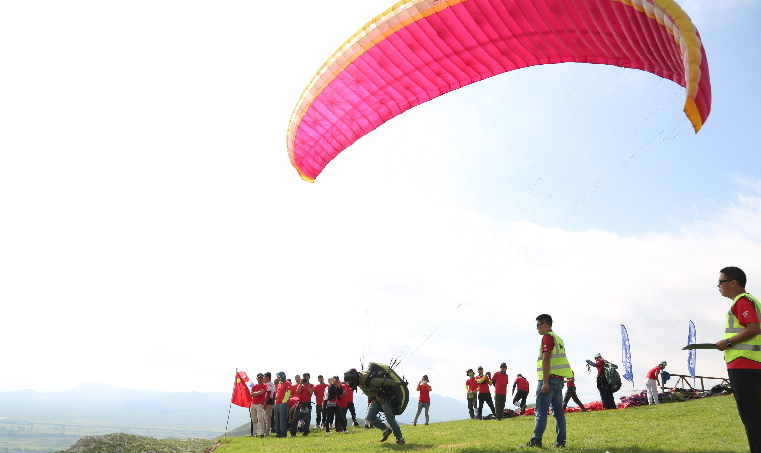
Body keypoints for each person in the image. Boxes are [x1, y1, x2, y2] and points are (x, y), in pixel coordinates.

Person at [714, 267, 761, 453]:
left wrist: (727, 342)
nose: (718, 286)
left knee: (751, 416)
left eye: (720, 281)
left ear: (733, 283)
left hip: (744, 365)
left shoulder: (741, 301)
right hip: (753, 364)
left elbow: (753, 329)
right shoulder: (753, 301)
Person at [520, 314, 573, 449]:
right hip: (559, 380)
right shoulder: (559, 338)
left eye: (537, 325)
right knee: (559, 413)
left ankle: (536, 441)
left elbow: (546, 360)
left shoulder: (547, 337)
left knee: (541, 412)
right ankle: (561, 442)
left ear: (545, 325)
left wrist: (544, 382)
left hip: (548, 380)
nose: (536, 329)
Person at [344, 366, 407, 445]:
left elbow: (385, 381)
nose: (350, 383)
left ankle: (400, 439)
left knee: (390, 419)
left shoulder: (371, 381)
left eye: (350, 381)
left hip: (383, 400)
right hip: (374, 401)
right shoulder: (360, 380)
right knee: (370, 417)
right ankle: (386, 430)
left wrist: (398, 383)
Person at [273, 372, 292, 438]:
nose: (278, 378)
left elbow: (288, 393)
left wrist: (284, 401)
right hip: (277, 403)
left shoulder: (287, 383)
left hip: (283, 404)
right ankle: (278, 433)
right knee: (277, 419)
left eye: (278, 376)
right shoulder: (279, 384)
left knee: (282, 419)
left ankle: (283, 434)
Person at [249, 373, 268, 437]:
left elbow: (261, 392)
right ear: (257, 379)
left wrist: (255, 393)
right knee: (254, 419)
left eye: (261, 378)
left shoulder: (264, 385)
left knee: (260, 418)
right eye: (259, 378)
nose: (260, 379)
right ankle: (255, 433)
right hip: (253, 404)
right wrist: (257, 393)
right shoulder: (254, 386)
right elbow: (251, 394)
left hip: (260, 404)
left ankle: (262, 432)